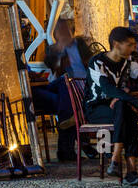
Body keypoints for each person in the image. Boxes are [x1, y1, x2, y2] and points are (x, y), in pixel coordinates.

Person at [84, 26, 138, 186]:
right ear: (116, 44)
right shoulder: (97, 62)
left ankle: (116, 160)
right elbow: (107, 88)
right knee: (127, 112)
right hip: (97, 108)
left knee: (124, 110)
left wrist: (128, 91)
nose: (133, 48)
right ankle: (130, 170)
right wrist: (137, 101)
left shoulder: (129, 61)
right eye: (129, 44)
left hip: (119, 107)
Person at [32, 18, 95, 160]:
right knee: (64, 85)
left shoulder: (79, 44)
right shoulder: (53, 49)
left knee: (67, 97)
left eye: (65, 30)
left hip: (81, 86)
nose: (62, 33)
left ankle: (66, 149)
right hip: (60, 85)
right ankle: (79, 144)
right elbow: (51, 65)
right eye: (59, 31)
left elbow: (90, 61)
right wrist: (59, 50)